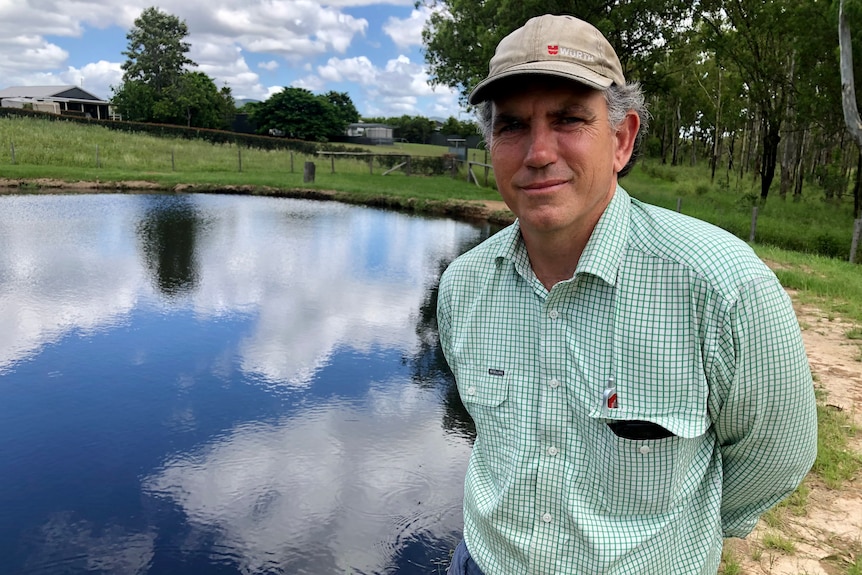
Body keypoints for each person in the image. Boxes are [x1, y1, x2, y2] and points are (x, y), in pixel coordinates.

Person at [437, 13, 818, 575]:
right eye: (512, 125)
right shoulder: (462, 286)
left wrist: (673, 541)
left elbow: (774, 455)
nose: (538, 152)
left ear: (621, 138)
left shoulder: (722, 287)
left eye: (568, 119)